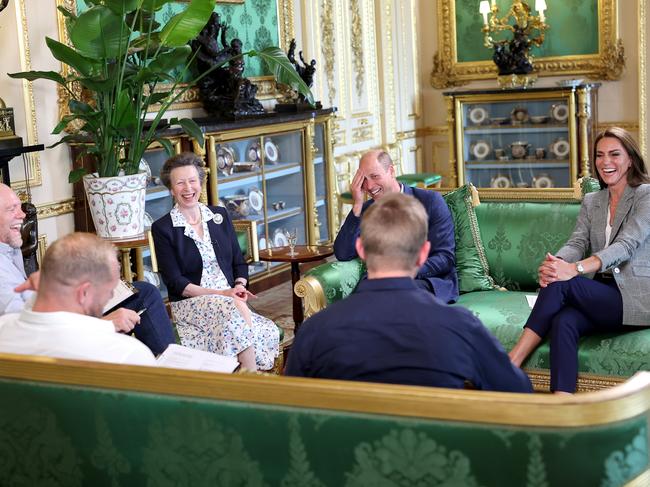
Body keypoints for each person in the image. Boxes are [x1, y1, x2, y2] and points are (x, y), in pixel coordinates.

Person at [286, 193, 532, 392]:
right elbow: (518, 394)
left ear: (360, 249)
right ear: (424, 253)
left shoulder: (315, 330)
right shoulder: (461, 327)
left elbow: (289, 414)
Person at [508, 127, 650, 393]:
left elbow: (626, 245)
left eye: (614, 154)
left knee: (564, 283)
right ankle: (562, 405)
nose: (605, 162)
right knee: (564, 322)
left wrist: (574, 269)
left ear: (630, 158)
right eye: (600, 155)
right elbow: (576, 242)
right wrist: (556, 265)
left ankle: (512, 361)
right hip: (601, 295)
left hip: (636, 299)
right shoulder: (593, 200)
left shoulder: (646, 195)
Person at [0, 183, 175, 356]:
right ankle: (176, 370)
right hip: (58, 334)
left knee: (143, 291)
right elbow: (34, 330)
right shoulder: (133, 353)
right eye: (11, 209)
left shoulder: (9, 244)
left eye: (19, 207)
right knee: (144, 296)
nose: (22, 215)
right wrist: (107, 324)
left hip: (51, 320)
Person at [151, 153, 279, 371]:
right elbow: (176, 283)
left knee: (255, 326)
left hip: (230, 300)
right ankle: (252, 380)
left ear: (201, 183)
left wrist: (238, 287)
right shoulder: (163, 228)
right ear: (171, 189)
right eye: (180, 183)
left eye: (192, 181)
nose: (188, 188)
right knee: (235, 310)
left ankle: (241, 383)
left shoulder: (219, 215)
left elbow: (239, 262)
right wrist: (223, 294)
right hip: (192, 304)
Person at [0, 232, 157, 366]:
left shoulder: (4, 329)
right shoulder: (128, 355)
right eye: (109, 290)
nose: (110, 296)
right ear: (84, 293)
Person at [333, 150, 458, 303]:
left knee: (396, 297)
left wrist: (402, 273)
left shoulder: (431, 201)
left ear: (391, 171)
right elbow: (342, 253)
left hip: (426, 281)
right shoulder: (365, 210)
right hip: (378, 284)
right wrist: (357, 205)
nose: (370, 186)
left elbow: (445, 258)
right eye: (364, 179)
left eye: (374, 176)